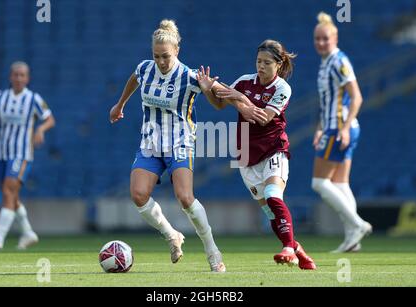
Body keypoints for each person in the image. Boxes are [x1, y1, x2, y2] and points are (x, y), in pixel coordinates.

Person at [109, 20, 263, 272]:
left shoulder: (189, 76)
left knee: (185, 198)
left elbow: (222, 99)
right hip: (150, 143)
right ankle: (172, 235)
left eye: (165, 56)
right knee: (138, 195)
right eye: (156, 55)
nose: (160, 61)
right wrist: (120, 104)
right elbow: (134, 79)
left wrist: (244, 104)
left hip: (180, 143)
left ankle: (212, 251)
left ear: (177, 51)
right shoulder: (145, 69)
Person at [196, 39, 316, 270]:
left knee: (273, 195)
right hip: (245, 154)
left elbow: (262, 117)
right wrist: (207, 89)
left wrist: (239, 98)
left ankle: (289, 250)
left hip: (273, 149)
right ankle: (296, 248)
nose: (261, 66)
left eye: (267, 62)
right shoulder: (244, 81)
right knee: (270, 211)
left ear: (279, 65)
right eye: (258, 61)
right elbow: (220, 103)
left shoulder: (282, 88)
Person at [0, 61, 55, 249]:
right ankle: (27, 233)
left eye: (22, 75)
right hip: (3, 153)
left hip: (22, 153)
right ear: (10, 77)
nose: (18, 78)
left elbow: (50, 119)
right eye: (15, 74)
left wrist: (40, 129)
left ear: (27, 78)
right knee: (11, 195)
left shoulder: (33, 99)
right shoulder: (0, 97)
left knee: (8, 190)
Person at [311, 12, 372, 253]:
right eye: (317, 39)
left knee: (319, 183)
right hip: (332, 126)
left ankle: (357, 225)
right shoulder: (326, 63)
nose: (321, 43)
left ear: (335, 37)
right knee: (340, 183)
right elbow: (326, 103)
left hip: (339, 128)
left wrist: (344, 128)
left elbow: (357, 97)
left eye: (325, 38)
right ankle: (352, 239)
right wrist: (318, 129)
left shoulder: (339, 62)